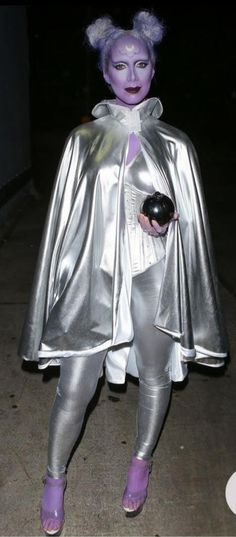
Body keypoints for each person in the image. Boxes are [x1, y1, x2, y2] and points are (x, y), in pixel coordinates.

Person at [18, 9, 228, 536]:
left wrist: (166, 226)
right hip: (94, 277)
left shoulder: (176, 145)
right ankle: (54, 476)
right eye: (120, 65)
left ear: (153, 70)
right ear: (105, 73)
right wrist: (60, 285)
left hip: (153, 277)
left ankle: (141, 461)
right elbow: (66, 222)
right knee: (75, 387)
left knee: (156, 377)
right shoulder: (83, 142)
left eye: (141, 63)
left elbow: (191, 229)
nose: (131, 74)